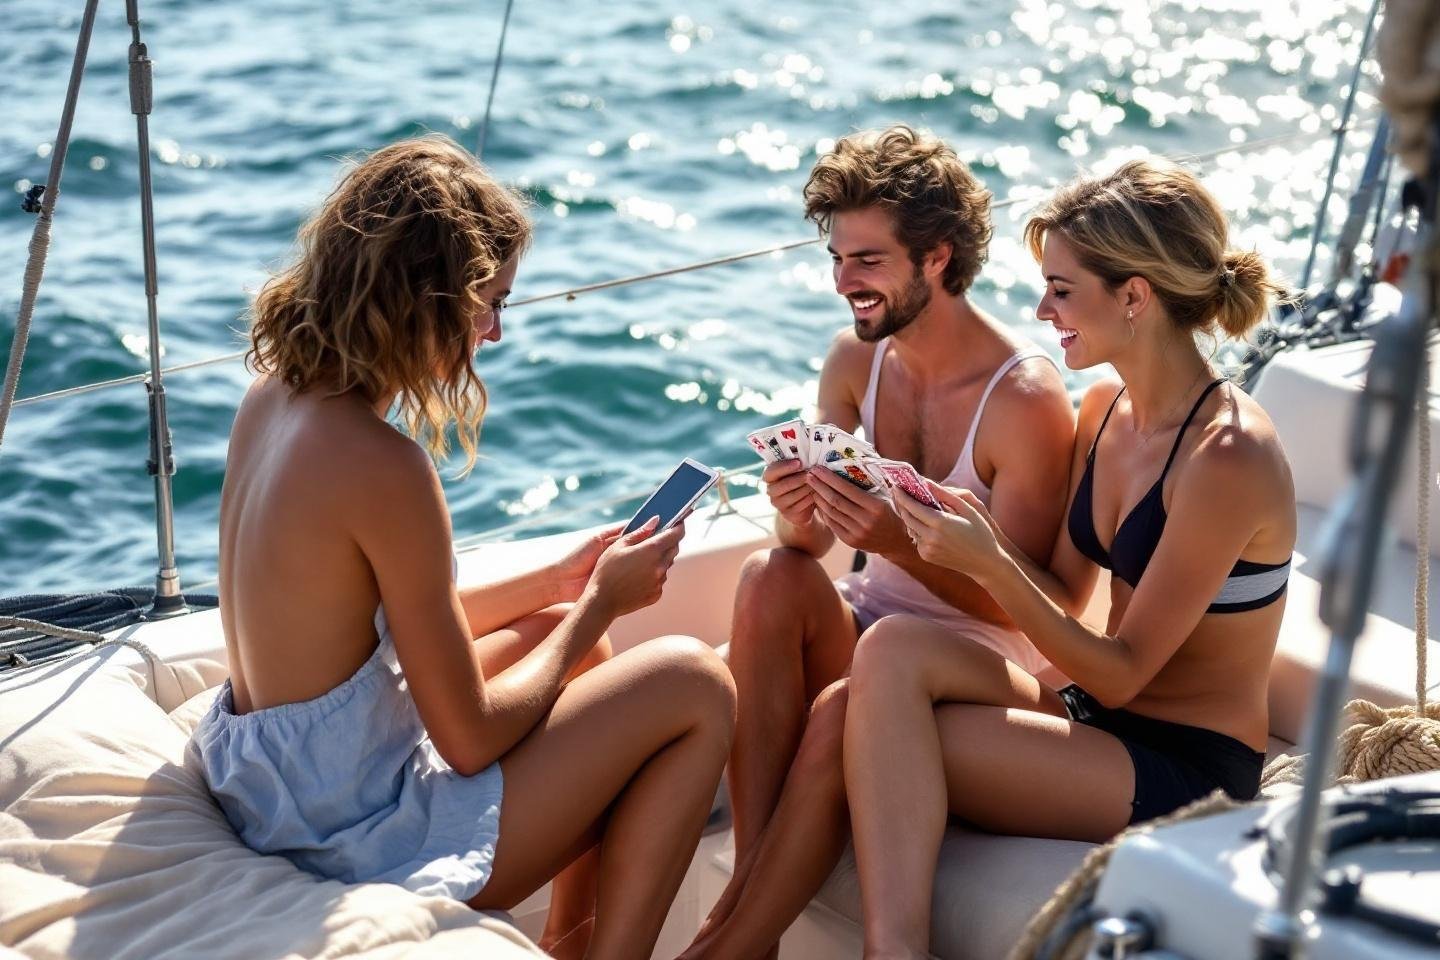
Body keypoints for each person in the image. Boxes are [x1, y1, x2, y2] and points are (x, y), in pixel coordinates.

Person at [194, 136, 736, 960]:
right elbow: (470, 740)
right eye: (490, 303)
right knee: (694, 681)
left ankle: (568, 940)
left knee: (573, 651)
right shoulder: (383, 464)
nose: (493, 333)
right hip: (347, 830)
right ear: (426, 294)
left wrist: (560, 580)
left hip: (273, 781)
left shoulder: (273, 398)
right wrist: (600, 604)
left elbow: (359, 625)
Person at [847, 158, 1296, 958]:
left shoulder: (1226, 456)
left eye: (1061, 288)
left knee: (871, 740)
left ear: (1135, 296)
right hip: (1098, 716)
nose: (1041, 309)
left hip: (1187, 766)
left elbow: (1124, 669)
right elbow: (1064, 590)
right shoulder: (1105, 404)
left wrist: (987, 562)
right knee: (891, 651)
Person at [682, 126, 1075, 959]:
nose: (841, 282)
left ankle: (733, 939)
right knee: (765, 574)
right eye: (836, 257)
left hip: (969, 671)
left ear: (936, 257)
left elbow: (1036, 611)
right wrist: (796, 506)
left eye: (866, 260)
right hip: (871, 634)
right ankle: (754, 872)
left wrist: (899, 543)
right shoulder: (855, 363)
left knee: (842, 702)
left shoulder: (1025, 400)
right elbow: (804, 545)